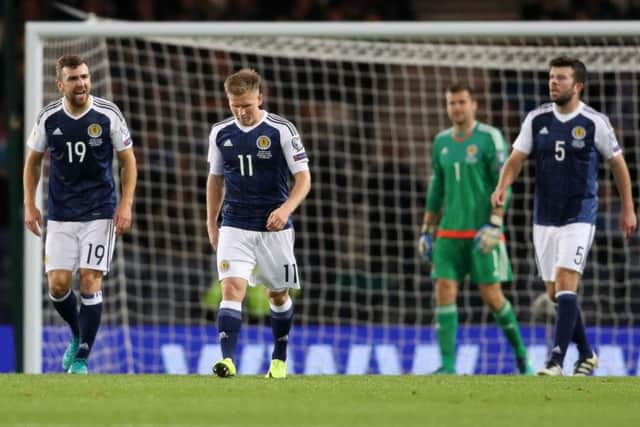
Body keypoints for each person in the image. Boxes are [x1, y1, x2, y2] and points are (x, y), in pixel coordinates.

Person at [492, 56, 637, 376]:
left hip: (579, 214)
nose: (553, 83)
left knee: (566, 283)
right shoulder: (537, 119)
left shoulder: (594, 122)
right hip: (544, 215)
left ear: (578, 85)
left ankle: (556, 360)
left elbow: (618, 166)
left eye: (561, 78)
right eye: (551, 77)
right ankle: (587, 353)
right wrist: (503, 185)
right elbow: (516, 159)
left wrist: (628, 207)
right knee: (554, 293)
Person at [23, 54, 137, 374]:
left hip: (100, 211)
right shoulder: (49, 118)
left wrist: (125, 204)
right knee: (58, 286)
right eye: (73, 78)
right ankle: (77, 334)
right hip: (60, 213)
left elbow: (128, 161)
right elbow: (32, 162)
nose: (82, 83)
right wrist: (29, 204)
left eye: (85, 77)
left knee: (90, 278)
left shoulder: (107, 113)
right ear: (60, 84)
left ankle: (82, 358)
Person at [419, 83, 534, 375]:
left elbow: (503, 183)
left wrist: (495, 223)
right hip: (449, 232)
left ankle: (522, 356)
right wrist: (426, 229)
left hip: (483, 231)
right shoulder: (441, 142)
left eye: (461, 102)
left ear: (474, 105)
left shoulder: (488, 138)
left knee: (492, 297)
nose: (456, 107)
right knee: (444, 290)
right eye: (451, 103)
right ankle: (447, 365)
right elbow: (437, 188)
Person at [207, 68, 311, 378]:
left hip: (273, 228)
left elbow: (304, 179)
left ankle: (279, 359)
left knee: (277, 295)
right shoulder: (220, 133)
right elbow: (215, 181)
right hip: (234, 224)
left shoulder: (281, 129)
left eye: (247, 106)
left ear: (260, 98)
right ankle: (227, 361)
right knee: (232, 288)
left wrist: (286, 209)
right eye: (234, 106)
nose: (241, 112)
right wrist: (212, 224)